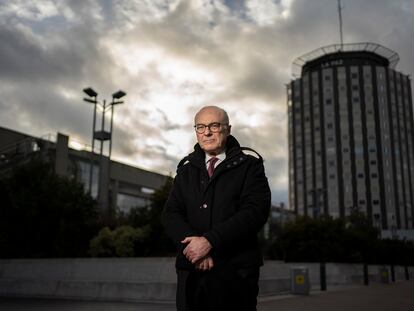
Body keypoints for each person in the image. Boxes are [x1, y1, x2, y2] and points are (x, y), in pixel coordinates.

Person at [162, 106, 271, 311]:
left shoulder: (249, 165)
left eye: (214, 125)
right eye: (201, 127)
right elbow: (171, 214)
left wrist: (210, 241)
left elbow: (255, 211)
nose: (207, 132)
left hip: (236, 269)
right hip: (191, 269)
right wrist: (195, 248)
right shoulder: (185, 170)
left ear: (227, 129)